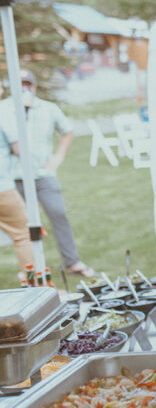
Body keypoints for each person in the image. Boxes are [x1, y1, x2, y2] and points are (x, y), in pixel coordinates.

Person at [0, 70, 94, 277]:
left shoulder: (48, 108)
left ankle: (72, 262)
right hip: (12, 178)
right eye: (20, 84)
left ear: (34, 85)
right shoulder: (4, 109)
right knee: (23, 229)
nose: (25, 88)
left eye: (28, 83)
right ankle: (31, 272)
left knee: (58, 214)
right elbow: (16, 148)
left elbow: (68, 131)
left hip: (42, 175)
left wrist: (58, 157)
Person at [0, 126, 33, 281]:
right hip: (3, 190)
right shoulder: (3, 118)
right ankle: (35, 284)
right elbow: (19, 150)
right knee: (23, 235)